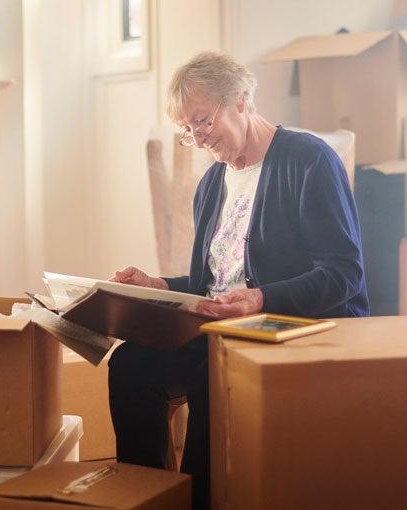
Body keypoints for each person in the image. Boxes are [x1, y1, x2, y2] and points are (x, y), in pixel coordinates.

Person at [107, 51, 368, 509]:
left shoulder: (309, 161)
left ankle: (201, 501)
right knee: (130, 364)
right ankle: (150, 498)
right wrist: (160, 286)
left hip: (297, 327)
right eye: (187, 130)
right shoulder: (212, 183)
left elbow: (344, 274)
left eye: (204, 122)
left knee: (214, 372)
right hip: (230, 327)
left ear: (243, 102)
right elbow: (214, 284)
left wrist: (261, 298)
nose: (199, 138)